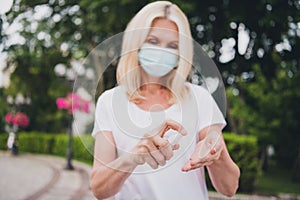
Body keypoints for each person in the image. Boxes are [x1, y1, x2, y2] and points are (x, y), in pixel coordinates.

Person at [90, 1, 240, 199]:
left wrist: (216, 154)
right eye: (152, 41)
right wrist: (131, 159)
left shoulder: (199, 98)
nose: (162, 51)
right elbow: (99, 190)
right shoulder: (109, 102)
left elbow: (229, 188)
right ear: (136, 43)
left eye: (173, 46)